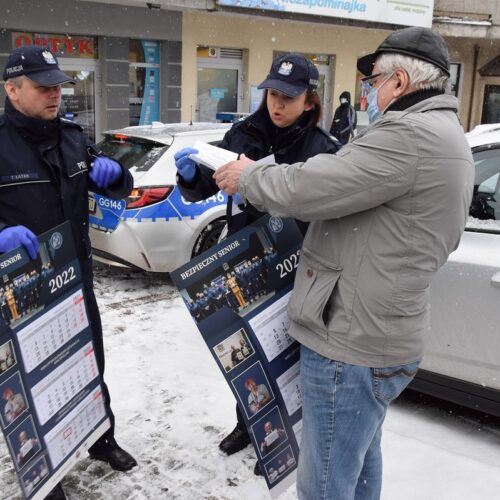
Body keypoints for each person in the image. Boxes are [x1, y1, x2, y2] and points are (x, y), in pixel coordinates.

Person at [214, 27, 474, 499]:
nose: (369, 91)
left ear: (399, 82)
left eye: (374, 80)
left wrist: (250, 176)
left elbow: (310, 187)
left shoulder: (408, 136)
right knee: (359, 464)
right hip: (379, 328)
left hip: (351, 342)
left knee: (325, 484)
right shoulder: (443, 133)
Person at [175, 53, 339, 470]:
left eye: (289, 95)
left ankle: (284, 435)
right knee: (247, 352)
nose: (277, 103)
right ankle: (247, 423)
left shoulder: (323, 150)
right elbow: (204, 190)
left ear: (309, 99)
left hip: (295, 266)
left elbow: (329, 208)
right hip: (244, 260)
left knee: (288, 356)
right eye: (271, 93)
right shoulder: (243, 134)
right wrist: (191, 178)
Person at [0, 45, 137, 500]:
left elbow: (120, 186)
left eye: (58, 84)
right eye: (44, 87)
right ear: (12, 90)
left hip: (76, 279)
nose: (55, 93)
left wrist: (115, 174)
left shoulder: (74, 137)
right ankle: (47, 468)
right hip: (23, 291)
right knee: (34, 379)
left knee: (88, 361)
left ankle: (101, 437)